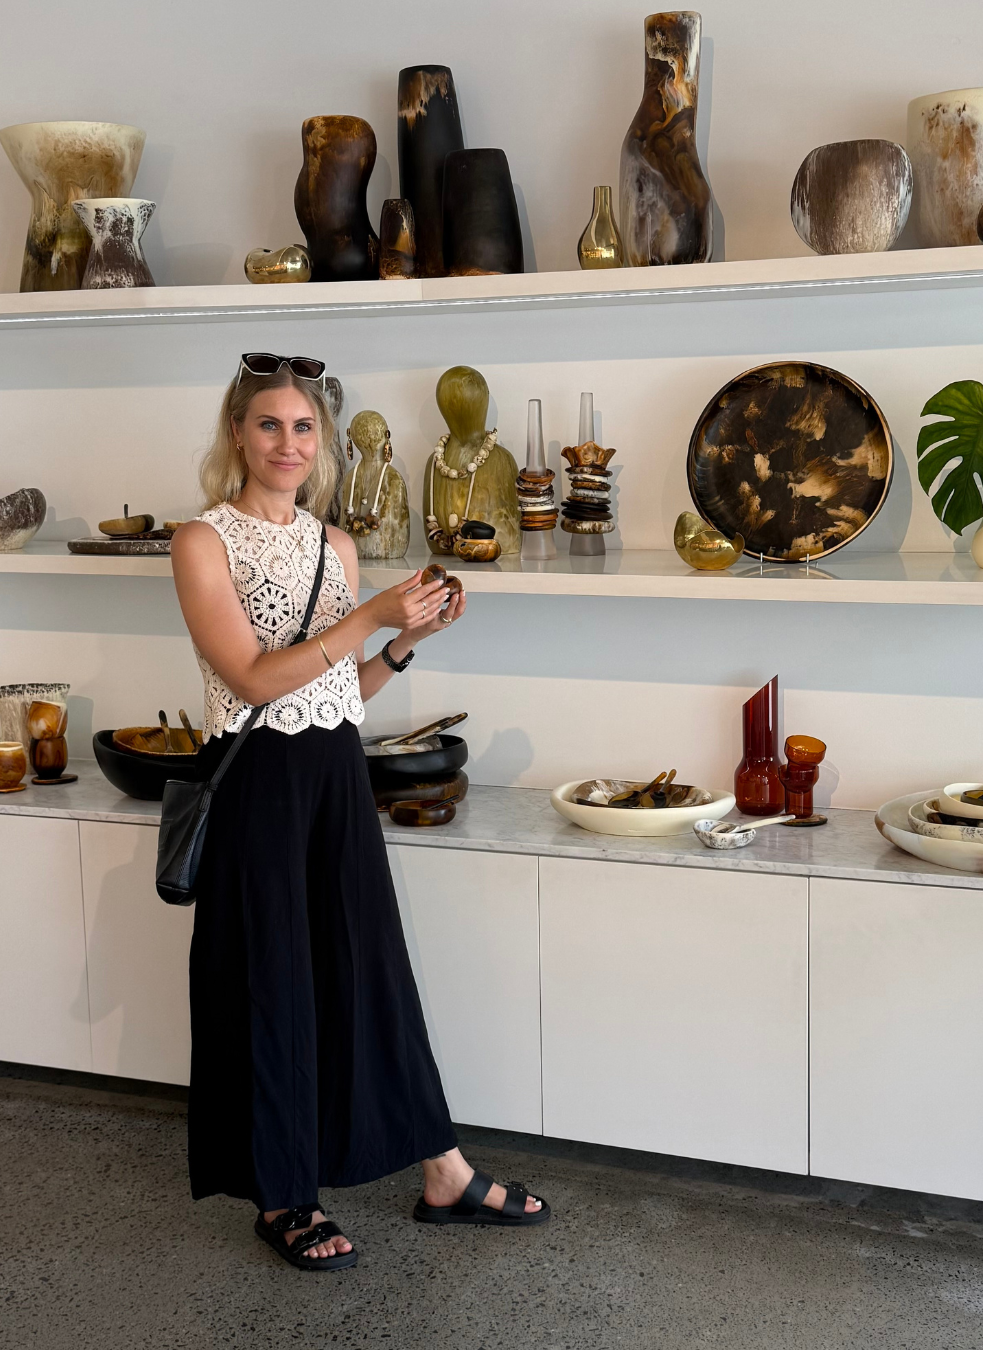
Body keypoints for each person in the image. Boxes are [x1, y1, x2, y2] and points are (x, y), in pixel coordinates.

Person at [171, 352, 550, 1272]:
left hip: (336, 779)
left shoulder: (334, 546)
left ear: (323, 441)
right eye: (269, 424)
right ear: (237, 434)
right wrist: (373, 614)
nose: (288, 443)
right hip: (259, 788)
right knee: (271, 986)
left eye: (304, 427)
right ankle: (284, 1196)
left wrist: (405, 641)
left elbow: (341, 690)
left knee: (369, 973)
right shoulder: (202, 541)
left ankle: (443, 1170)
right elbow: (253, 679)